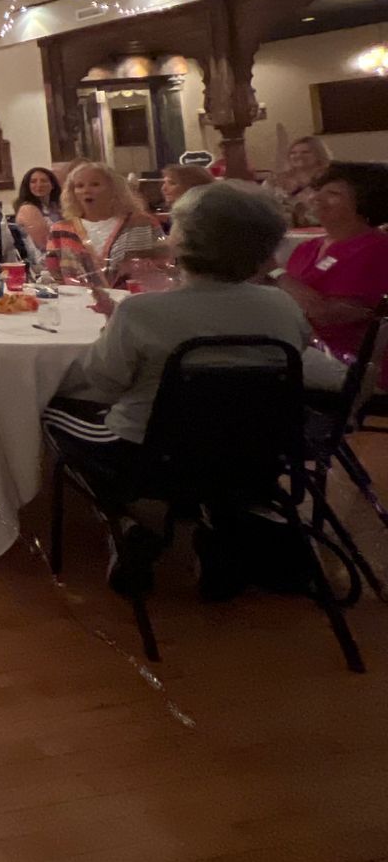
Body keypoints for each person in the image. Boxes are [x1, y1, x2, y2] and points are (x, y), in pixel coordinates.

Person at [43, 183, 345, 594]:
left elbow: (102, 381)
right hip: (249, 452)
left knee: (53, 412)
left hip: (146, 455)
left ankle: (130, 523)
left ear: (182, 241)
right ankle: (205, 522)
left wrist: (116, 330)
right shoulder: (281, 307)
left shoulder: (142, 312)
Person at [276, 162, 388, 362]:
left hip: (347, 363)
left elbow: (328, 315)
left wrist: (275, 273)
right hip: (301, 352)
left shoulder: (376, 249)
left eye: (333, 194)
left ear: (365, 202)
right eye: (319, 191)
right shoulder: (307, 248)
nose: (316, 198)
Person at [45, 161, 166, 287]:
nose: (86, 190)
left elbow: (164, 262)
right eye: (79, 186)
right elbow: (54, 273)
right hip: (80, 303)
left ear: (113, 188)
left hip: (133, 302)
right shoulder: (61, 230)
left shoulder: (142, 223)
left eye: (95, 184)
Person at [268, 135, 333, 225]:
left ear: (319, 154)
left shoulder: (331, 179)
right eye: (293, 153)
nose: (298, 156)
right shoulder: (276, 180)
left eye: (305, 152)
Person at [12, 167, 64, 254]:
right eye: (33, 181)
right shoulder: (27, 209)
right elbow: (45, 243)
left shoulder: (56, 206)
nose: (39, 185)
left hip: (65, 253)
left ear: (53, 185)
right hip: (44, 259)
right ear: (28, 186)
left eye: (44, 181)